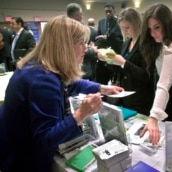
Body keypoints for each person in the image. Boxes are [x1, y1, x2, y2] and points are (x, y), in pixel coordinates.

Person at [0, 15, 123, 171]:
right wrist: (81, 114)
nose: (85, 48)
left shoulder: (40, 67)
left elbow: (69, 84)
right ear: (65, 46)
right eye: (81, 43)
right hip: (24, 161)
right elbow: (45, 139)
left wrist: (101, 88)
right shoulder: (42, 80)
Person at [139, 3, 172, 144]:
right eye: (150, 29)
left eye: (157, 27)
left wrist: (153, 118)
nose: (153, 33)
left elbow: (164, 84)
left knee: (171, 136)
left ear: (167, 23)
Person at [96, 7, 155, 115]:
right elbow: (120, 69)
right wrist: (108, 59)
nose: (124, 31)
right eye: (122, 28)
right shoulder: (127, 42)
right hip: (125, 96)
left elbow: (146, 75)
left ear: (137, 24)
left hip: (141, 99)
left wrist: (124, 62)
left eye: (127, 27)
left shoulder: (147, 44)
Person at [66, 3, 98, 81]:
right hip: (76, 68)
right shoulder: (72, 29)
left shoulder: (67, 27)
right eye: (81, 14)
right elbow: (71, 49)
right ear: (78, 15)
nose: (82, 17)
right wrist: (91, 50)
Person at [95, 3, 123, 85]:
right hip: (103, 56)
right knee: (101, 81)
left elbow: (121, 38)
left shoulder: (119, 22)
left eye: (110, 11)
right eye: (106, 12)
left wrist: (107, 38)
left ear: (114, 11)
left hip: (115, 55)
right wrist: (99, 40)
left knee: (115, 82)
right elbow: (97, 36)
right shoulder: (101, 22)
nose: (108, 13)